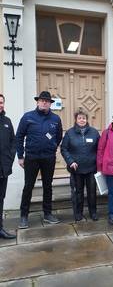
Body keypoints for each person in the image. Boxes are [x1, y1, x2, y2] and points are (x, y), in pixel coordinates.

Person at [16, 91, 63, 229]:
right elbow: (19, 137)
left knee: (47, 186)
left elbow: (58, 136)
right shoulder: (28, 117)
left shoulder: (55, 119)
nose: (44, 102)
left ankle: (47, 214)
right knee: (28, 186)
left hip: (48, 158)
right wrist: (20, 156)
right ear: (37, 102)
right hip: (31, 157)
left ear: (50, 104)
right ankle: (24, 216)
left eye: (47, 101)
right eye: (42, 100)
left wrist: (53, 147)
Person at [61, 109, 100, 222]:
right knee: (78, 192)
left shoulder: (94, 132)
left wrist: (99, 163)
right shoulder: (69, 133)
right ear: (76, 119)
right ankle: (78, 213)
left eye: (84, 118)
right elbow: (64, 149)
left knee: (92, 192)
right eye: (79, 118)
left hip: (91, 168)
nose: (82, 120)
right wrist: (70, 161)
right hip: (76, 169)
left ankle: (93, 212)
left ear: (87, 119)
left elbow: (100, 149)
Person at [0, 94, 16, 239]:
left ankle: (0, 228)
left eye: (2, 102)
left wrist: (9, 159)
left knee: (1, 198)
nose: (1, 105)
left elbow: (13, 142)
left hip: (3, 169)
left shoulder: (7, 121)